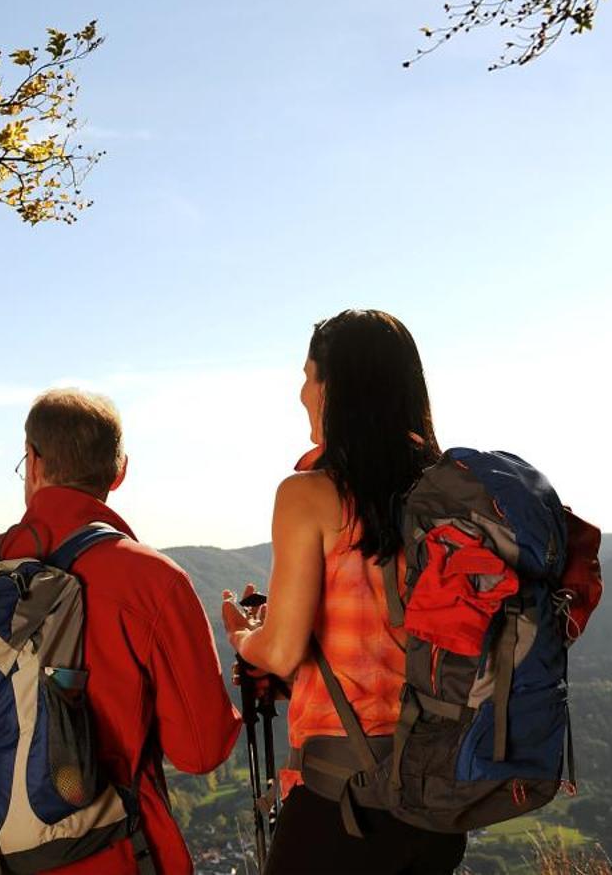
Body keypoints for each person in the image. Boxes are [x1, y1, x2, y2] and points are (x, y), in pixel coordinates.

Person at [0, 388, 241, 875]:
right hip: (108, 856)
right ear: (119, 470)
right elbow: (201, 751)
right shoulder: (152, 581)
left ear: (32, 462)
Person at [220, 309, 466, 875]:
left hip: (344, 800)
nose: (301, 390)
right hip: (438, 800)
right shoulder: (446, 494)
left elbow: (279, 651)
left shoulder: (308, 494)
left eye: (309, 375)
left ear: (336, 387)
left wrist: (244, 636)